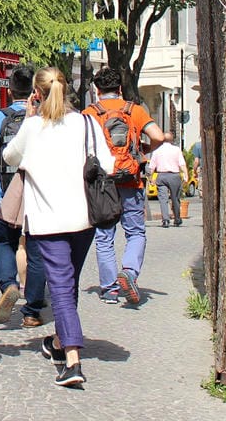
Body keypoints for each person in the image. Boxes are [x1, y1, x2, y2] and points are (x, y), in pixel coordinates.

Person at [2, 66, 113, 388]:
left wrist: (30, 117)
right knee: (69, 283)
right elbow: (108, 164)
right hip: (83, 219)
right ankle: (60, 342)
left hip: (48, 221)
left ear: (35, 94)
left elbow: (9, 157)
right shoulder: (87, 123)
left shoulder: (32, 127)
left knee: (62, 287)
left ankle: (73, 360)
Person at [82, 67, 165, 306]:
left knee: (104, 236)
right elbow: (158, 136)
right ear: (119, 88)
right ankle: (129, 272)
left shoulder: (89, 114)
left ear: (97, 91)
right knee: (136, 232)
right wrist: (143, 152)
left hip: (102, 183)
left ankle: (109, 289)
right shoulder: (134, 111)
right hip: (130, 179)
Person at [0, 65, 47, 328]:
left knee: (4, 241)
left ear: (9, 90)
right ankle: (32, 309)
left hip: (7, 192)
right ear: (34, 90)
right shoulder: (44, 117)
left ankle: (9, 284)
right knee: (36, 247)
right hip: (39, 194)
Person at [149, 132, 187, 227]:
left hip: (161, 176)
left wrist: (151, 178)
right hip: (174, 176)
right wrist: (186, 175)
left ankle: (165, 219)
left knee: (163, 199)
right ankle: (177, 219)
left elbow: (151, 167)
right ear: (172, 140)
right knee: (175, 198)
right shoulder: (176, 150)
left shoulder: (157, 151)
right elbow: (182, 164)